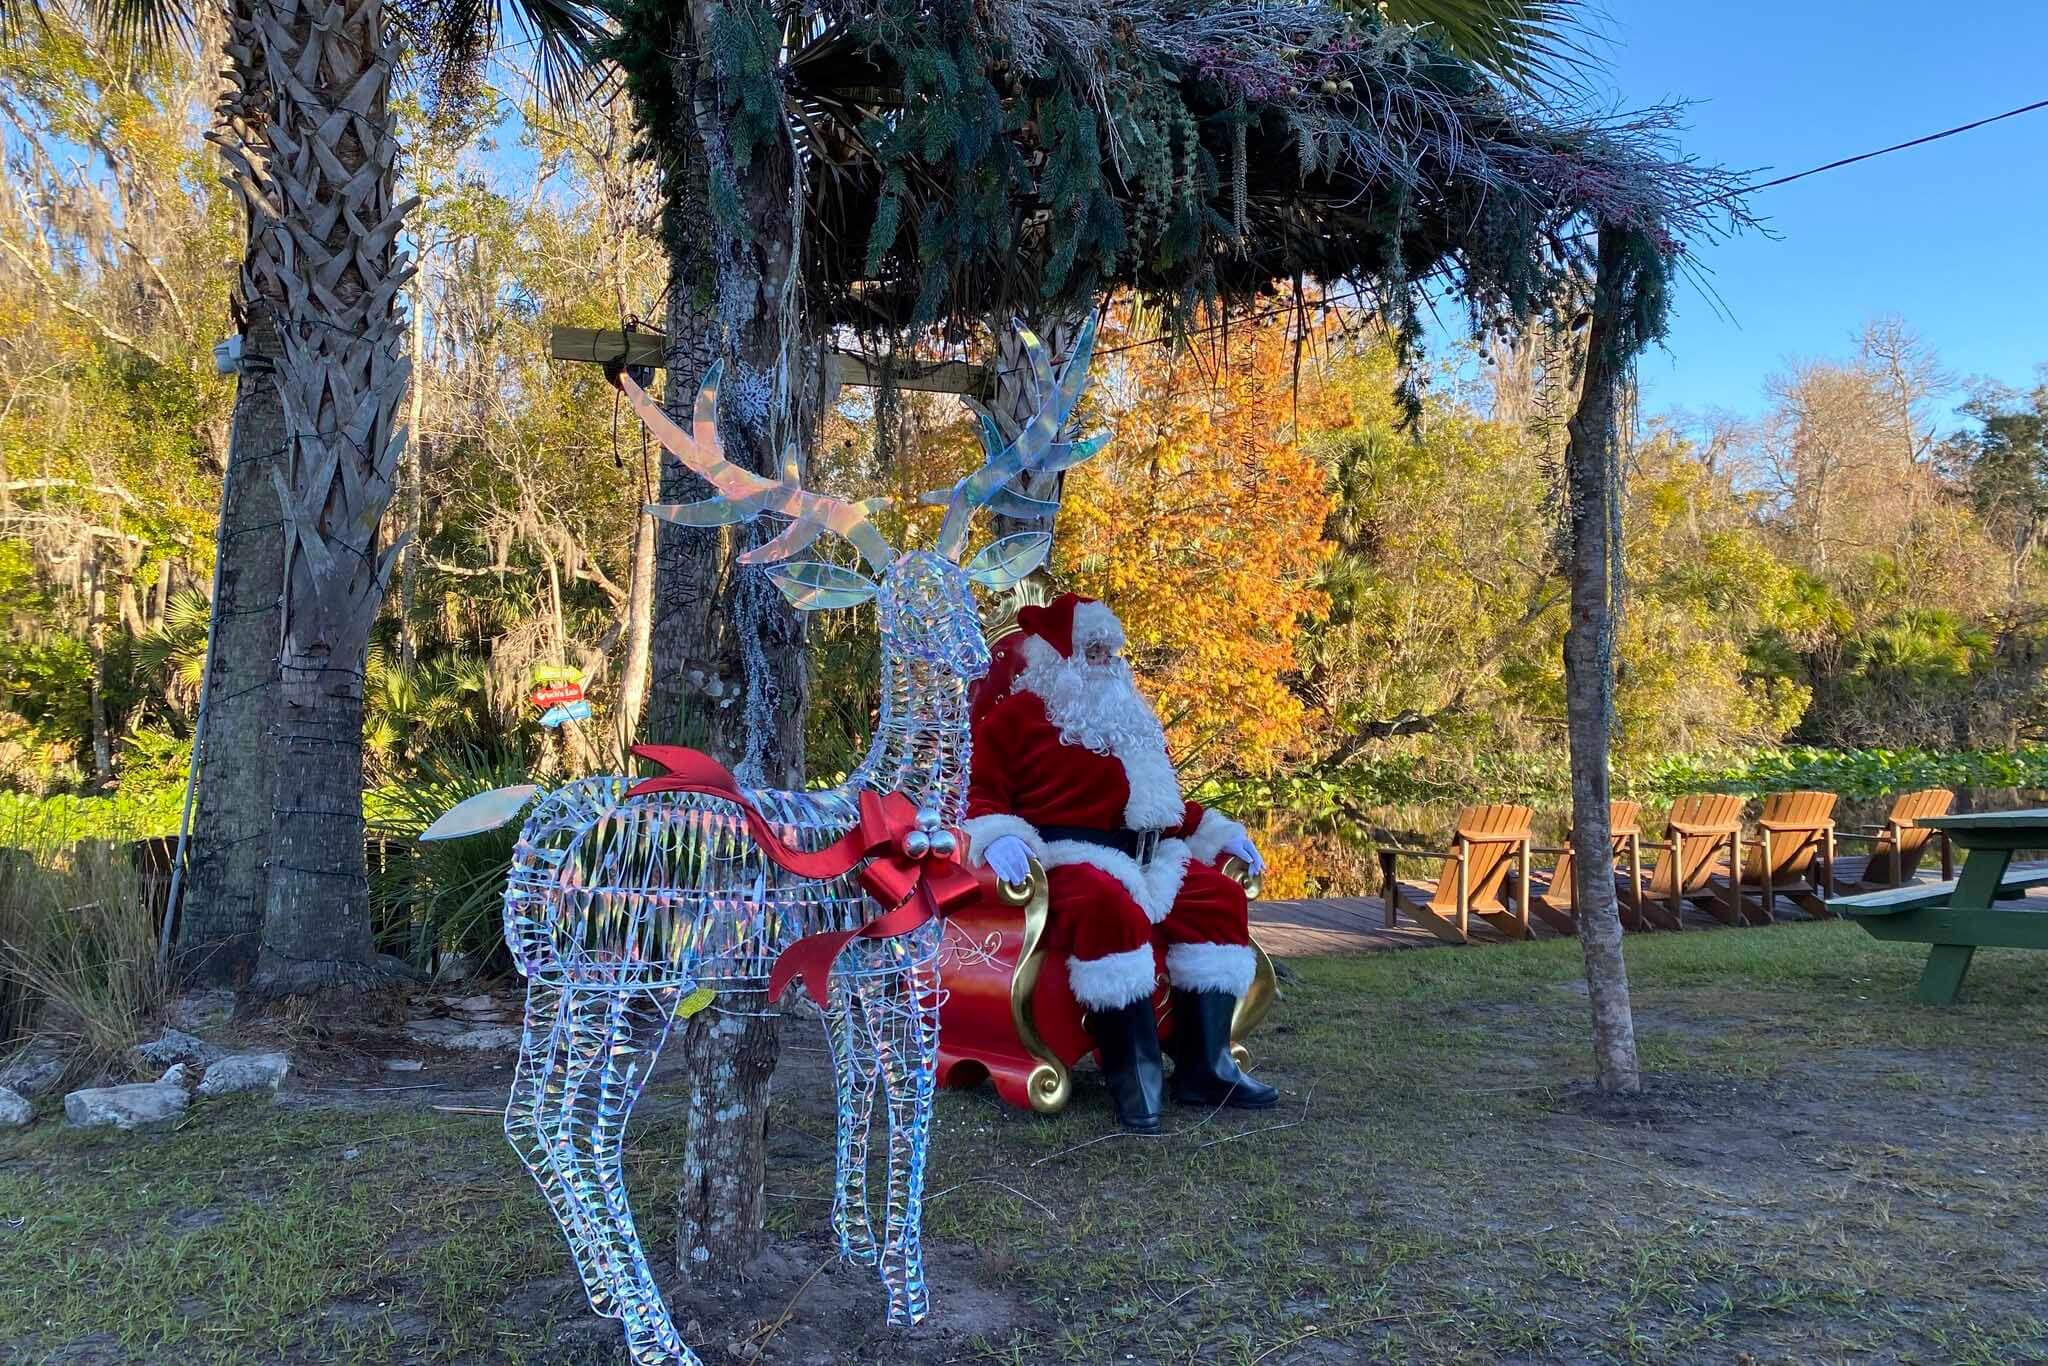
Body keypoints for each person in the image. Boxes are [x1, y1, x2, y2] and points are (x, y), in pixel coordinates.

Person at [962, 592, 1279, 1131]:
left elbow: (1166, 808)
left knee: (1219, 897)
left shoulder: (1132, 717)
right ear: (1057, 659)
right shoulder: (1017, 717)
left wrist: (1216, 831)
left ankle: (1206, 1067)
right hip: (1071, 857)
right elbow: (978, 795)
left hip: (1154, 858)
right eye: (1092, 650)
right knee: (1109, 906)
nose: (1105, 661)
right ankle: (1135, 1074)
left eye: (1110, 651)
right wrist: (998, 837)